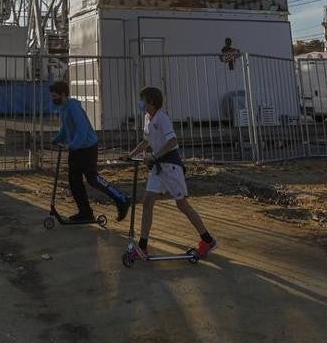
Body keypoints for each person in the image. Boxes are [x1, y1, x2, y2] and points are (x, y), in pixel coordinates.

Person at [127, 86, 218, 259]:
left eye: (142, 100)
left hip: (171, 167)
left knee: (182, 204)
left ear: (151, 102)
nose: (140, 103)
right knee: (147, 201)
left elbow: (172, 142)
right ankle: (142, 247)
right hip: (158, 168)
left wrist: (154, 156)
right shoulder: (147, 118)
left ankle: (208, 240)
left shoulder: (162, 118)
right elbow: (146, 141)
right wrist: (130, 155)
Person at [49, 80, 130, 223]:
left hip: (87, 148)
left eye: (55, 96)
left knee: (92, 179)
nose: (53, 99)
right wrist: (57, 139)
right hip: (76, 149)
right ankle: (85, 212)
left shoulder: (73, 107)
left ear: (63, 94)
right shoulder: (64, 108)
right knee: (74, 181)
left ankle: (121, 198)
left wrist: (73, 144)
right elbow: (66, 128)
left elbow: (82, 128)